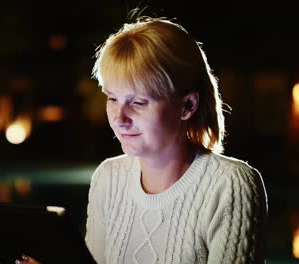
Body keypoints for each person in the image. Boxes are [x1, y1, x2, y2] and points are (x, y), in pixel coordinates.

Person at [16, 16, 268, 264]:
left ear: (187, 105)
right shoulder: (108, 178)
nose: (119, 117)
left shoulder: (231, 186)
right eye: (112, 98)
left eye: (138, 102)